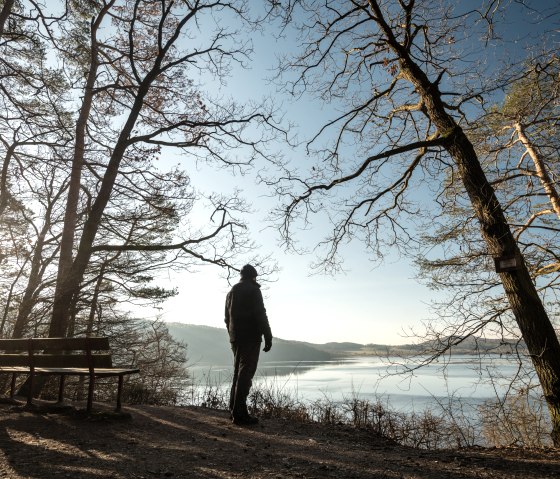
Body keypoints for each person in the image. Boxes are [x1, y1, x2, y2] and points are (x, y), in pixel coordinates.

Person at [224, 264, 273, 425]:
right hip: (250, 337)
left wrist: (232, 334)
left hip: (235, 337)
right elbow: (260, 313)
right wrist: (268, 335)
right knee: (246, 374)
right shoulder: (253, 290)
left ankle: (234, 411)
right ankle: (239, 414)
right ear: (253, 276)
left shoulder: (231, 292)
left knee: (238, 374)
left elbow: (226, 318)